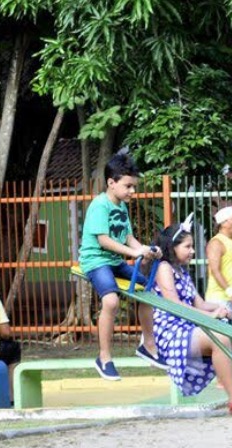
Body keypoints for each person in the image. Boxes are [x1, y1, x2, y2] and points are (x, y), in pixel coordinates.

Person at [151, 223, 232, 425]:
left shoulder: (182, 271)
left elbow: (200, 303)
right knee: (220, 337)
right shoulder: (164, 268)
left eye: (192, 246)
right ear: (172, 247)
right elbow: (174, 305)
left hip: (189, 328)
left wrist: (219, 308)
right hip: (171, 331)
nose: (192, 251)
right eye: (187, 246)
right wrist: (210, 317)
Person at [79, 153, 164, 380]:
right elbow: (104, 241)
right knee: (111, 301)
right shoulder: (100, 205)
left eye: (134, 186)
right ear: (111, 182)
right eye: (128, 186)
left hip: (114, 262)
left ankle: (148, 346)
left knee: (148, 293)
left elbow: (128, 238)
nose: (132, 191)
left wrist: (146, 250)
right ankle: (104, 357)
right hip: (96, 261)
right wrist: (134, 253)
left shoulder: (122, 206)